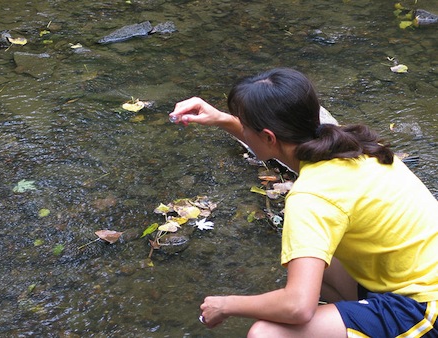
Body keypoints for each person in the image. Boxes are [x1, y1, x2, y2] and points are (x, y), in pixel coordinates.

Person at [169, 68, 438, 337]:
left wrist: (225, 305)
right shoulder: (351, 144)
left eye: (244, 125)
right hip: (415, 276)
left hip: (425, 307)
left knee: (267, 333)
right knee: (317, 264)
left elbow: (297, 307)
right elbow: (272, 141)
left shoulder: (310, 198)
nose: (242, 130)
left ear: (268, 137)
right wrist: (222, 120)